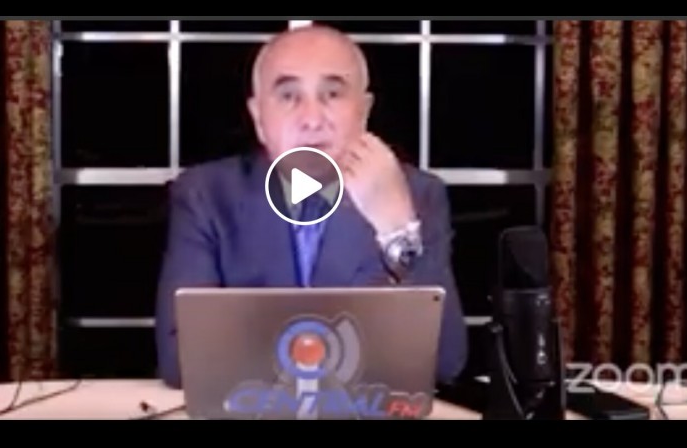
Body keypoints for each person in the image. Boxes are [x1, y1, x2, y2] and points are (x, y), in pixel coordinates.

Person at [154, 24, 467, 388]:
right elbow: (181, 359)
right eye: (289, 96)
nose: (312, 119)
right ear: (259, 118)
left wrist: (397, 232)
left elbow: (445, 362)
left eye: (332, 94)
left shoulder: (419, 194)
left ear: (363, 111)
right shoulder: (206, 196)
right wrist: (344, 350)